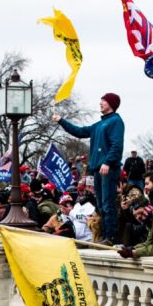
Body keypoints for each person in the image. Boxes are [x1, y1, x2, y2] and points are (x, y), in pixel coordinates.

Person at [53, 92, 125, 245]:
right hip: (98, 169)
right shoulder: (98, 125)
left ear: (111, 104)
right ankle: (104, 235)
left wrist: (107, 162)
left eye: (103, 101)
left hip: (107, 168)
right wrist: (61, 121)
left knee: (108, 203)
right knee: (100, 204)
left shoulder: (116, 121)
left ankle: (112, 237)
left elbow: (116, 145)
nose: (100, 103)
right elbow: (79, 132)